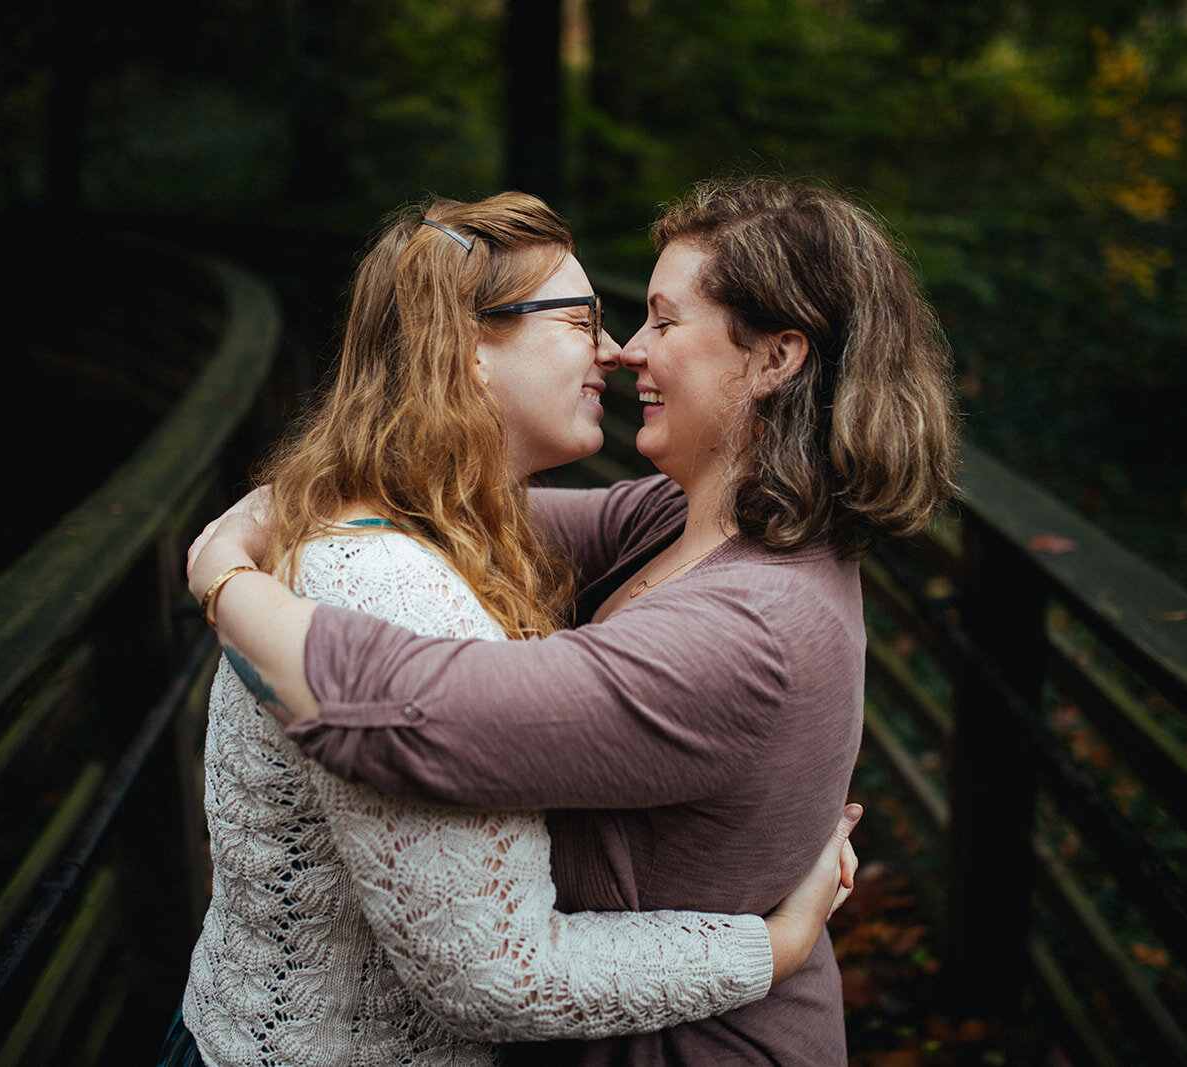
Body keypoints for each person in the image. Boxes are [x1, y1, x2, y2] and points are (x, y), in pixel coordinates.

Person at [188, 176, 957, 1064]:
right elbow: (432, 508)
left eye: (664, 321)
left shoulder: (756, 626)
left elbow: (417, 708)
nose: (629, 350)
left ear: (776, 358)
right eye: (599, 322)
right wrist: (285, 503)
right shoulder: (677, 520)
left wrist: (219, 578)